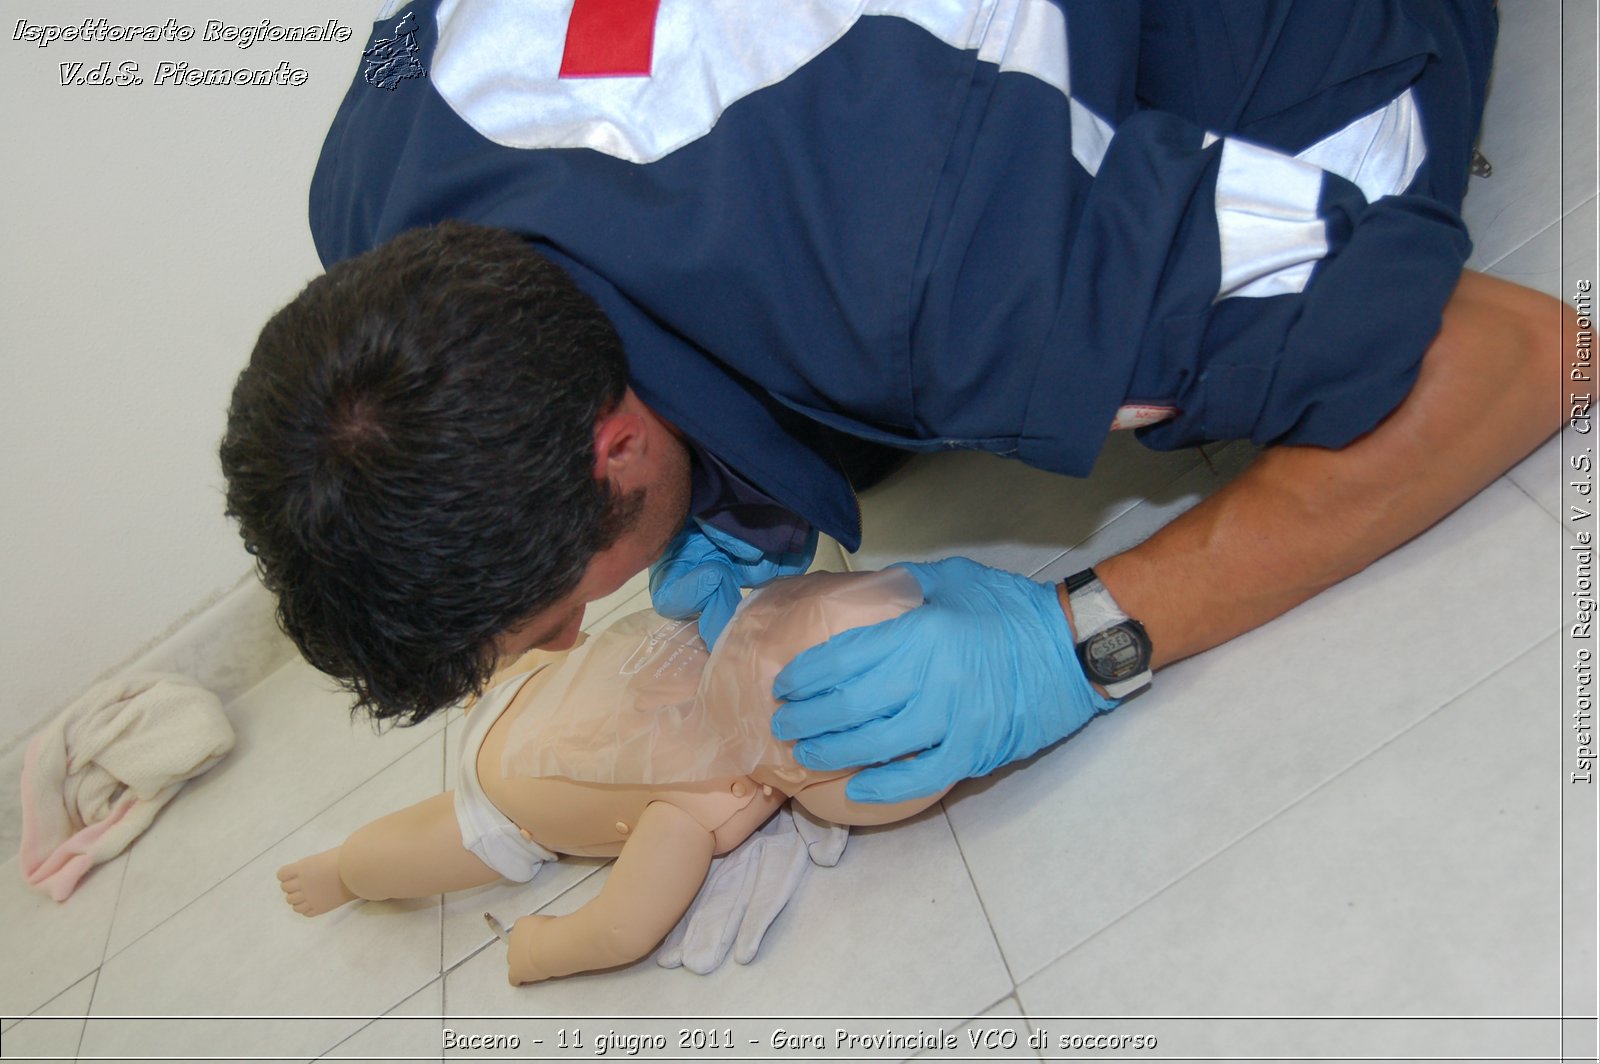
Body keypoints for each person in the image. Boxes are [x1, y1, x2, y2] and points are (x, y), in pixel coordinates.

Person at [222, 1, 1573, 808]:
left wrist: (1080, 638)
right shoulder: (366, 193)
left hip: (1270, 70)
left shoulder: (925, 274)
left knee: (1296, 335)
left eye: (560, 610)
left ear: (614, 441)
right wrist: (730, 491)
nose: (583, 632)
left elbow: (1515, 356)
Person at [276, 569, 948, 985]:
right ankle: (345, 870)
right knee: (400, 852)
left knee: (502, 677)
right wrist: (544, 948)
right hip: (504, 789)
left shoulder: (739, 624)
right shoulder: (705, 796)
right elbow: (622, 928)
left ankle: (353, 858)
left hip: (539, 682)